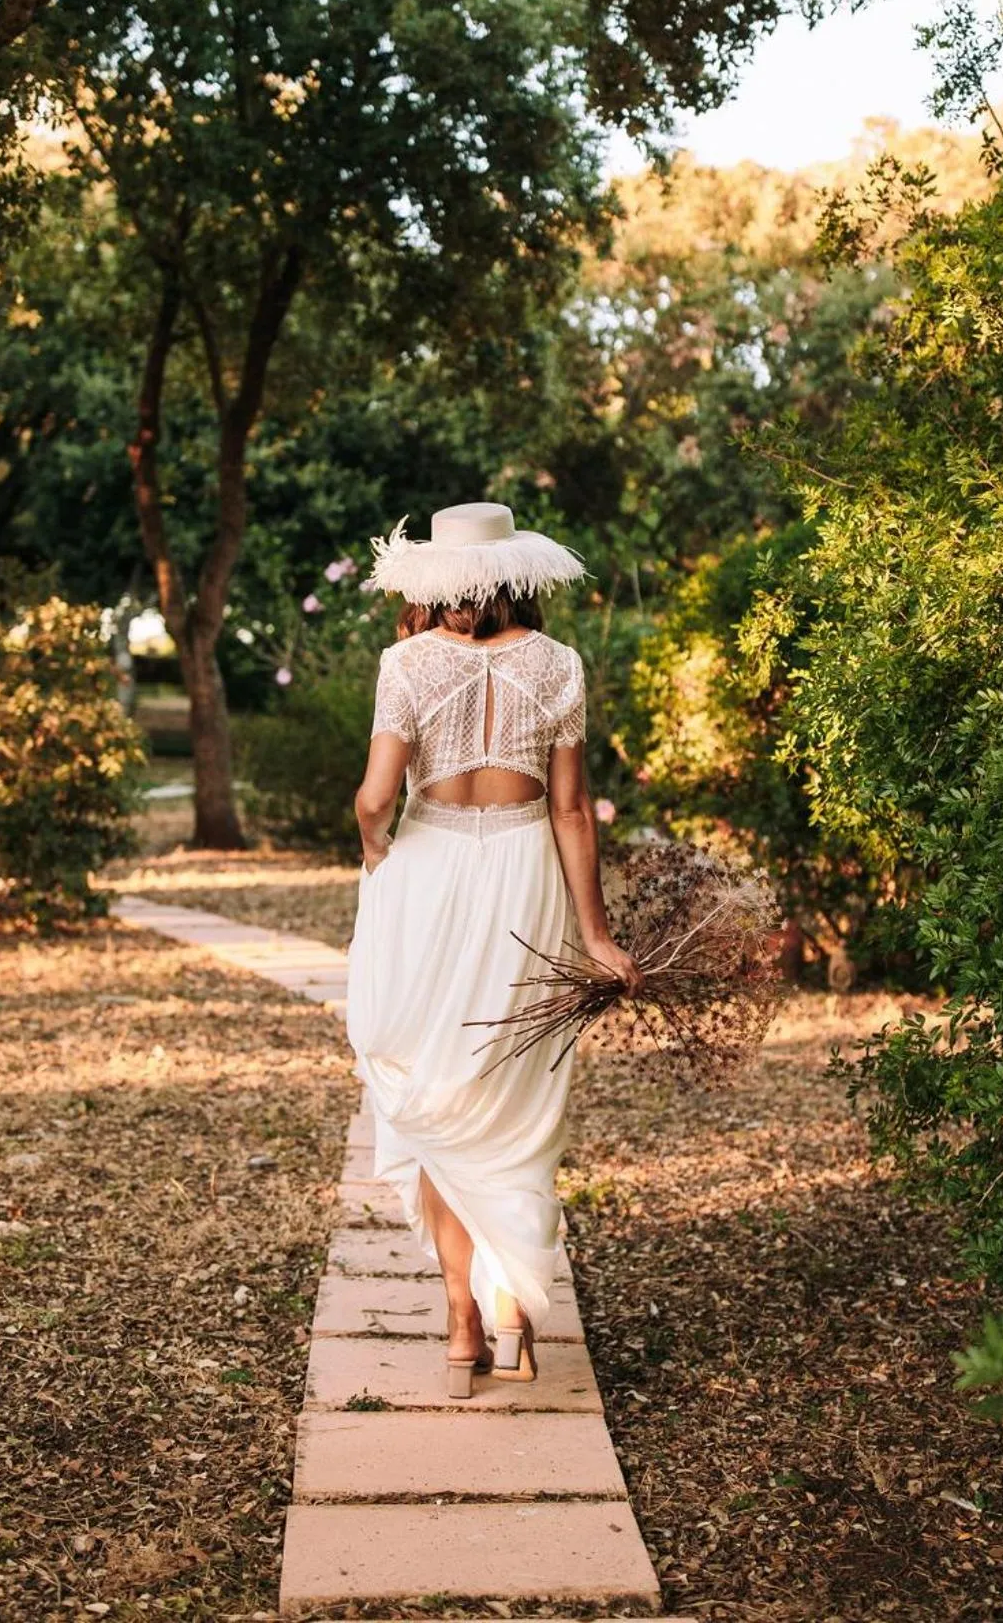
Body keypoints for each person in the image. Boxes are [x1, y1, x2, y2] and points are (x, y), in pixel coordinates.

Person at [346, 501, 641, 1400]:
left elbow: (372, 797)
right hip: (522, 876)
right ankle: (510, 1307)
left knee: (437, 1096)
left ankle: (462, 1327)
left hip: (429, 877)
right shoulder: (557, 664)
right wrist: (594, 934)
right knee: (515, 1105)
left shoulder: (405, 663)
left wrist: (373, 848)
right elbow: (568, 811)